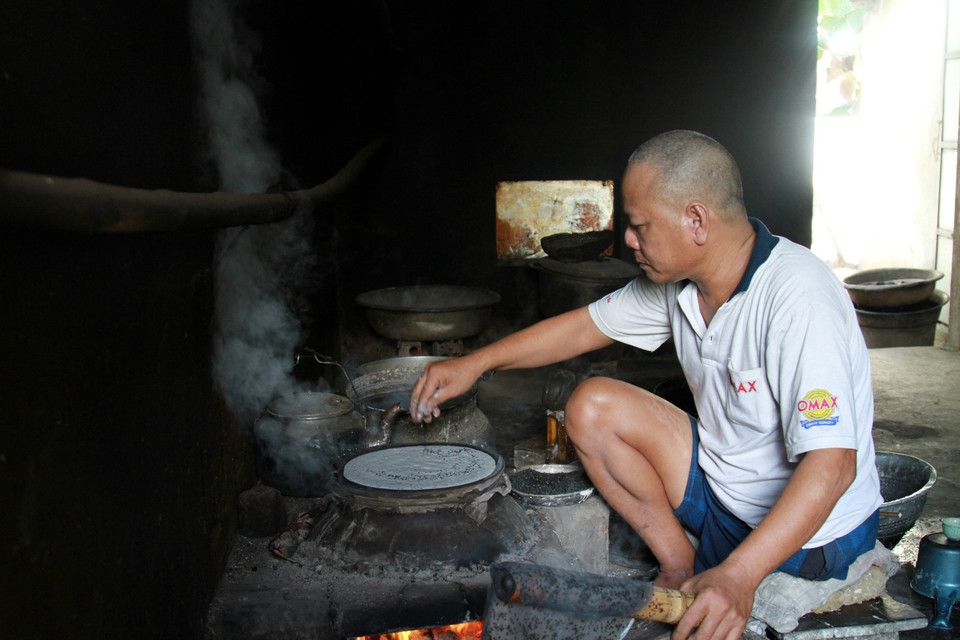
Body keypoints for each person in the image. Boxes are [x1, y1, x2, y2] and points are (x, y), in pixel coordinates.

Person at [409, 130, 881, 640]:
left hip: (811, 538)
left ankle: (730, 567)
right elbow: (583, 326)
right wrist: (475, 363)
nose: (629, 241)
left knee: (744, 569)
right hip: (722, 497)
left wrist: (741, 576)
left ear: (696, 220)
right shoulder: (683, 285)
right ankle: (679, 563)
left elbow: (833, 464)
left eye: (639, 226)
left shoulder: (798, 296)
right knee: (591, 406)